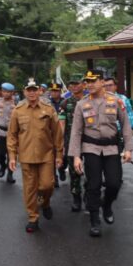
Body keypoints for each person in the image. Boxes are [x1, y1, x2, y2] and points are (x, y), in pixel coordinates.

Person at [69, 70, 133, 237]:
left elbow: (125, 125)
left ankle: (106, 204)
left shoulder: (116, 101)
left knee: (114, 183)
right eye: (87, 81)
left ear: (102, 82)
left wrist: (128, 149)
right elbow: (76, 132)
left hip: (111, 148)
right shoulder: (81, 104)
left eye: (93, 81)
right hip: (90, 148)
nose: (89, 84)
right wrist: (76, 156)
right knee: (94, 184)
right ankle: (94, 220)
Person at [8, 79, 63, 233]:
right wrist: (12, 156)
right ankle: (33, 218)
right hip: (26, 156)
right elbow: (12, 135)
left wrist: (59, 154)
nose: (32, 93)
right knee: (30, 188)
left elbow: (57, 133)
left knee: (47, 185)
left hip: (46, 155)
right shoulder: (18, 111)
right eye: (29, 90)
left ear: (39, 91)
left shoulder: (48, 109)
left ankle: (45, 203)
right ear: (24, 92)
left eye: (34, 90)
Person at [59, 75, 86, 211]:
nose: (74, 87)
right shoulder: (65, 103)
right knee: (74, 172)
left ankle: (89, 195)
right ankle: (76, 197)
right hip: (72, 142)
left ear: (83, 85)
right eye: (72, 84)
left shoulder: (90, 101)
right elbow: (62, 124)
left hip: (89, 142)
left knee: (90, 171)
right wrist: (62, 143)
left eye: (77, 84)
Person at [49, 83, 64, 187]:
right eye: (52, 91)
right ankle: (54, 177)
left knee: (64, 156)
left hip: (64, 133)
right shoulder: (47, 103)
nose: (54, 93)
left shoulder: (65, 102)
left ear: (60, 92)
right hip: (51, 134)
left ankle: (62, 168)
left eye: (56, 91)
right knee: (51, 157)